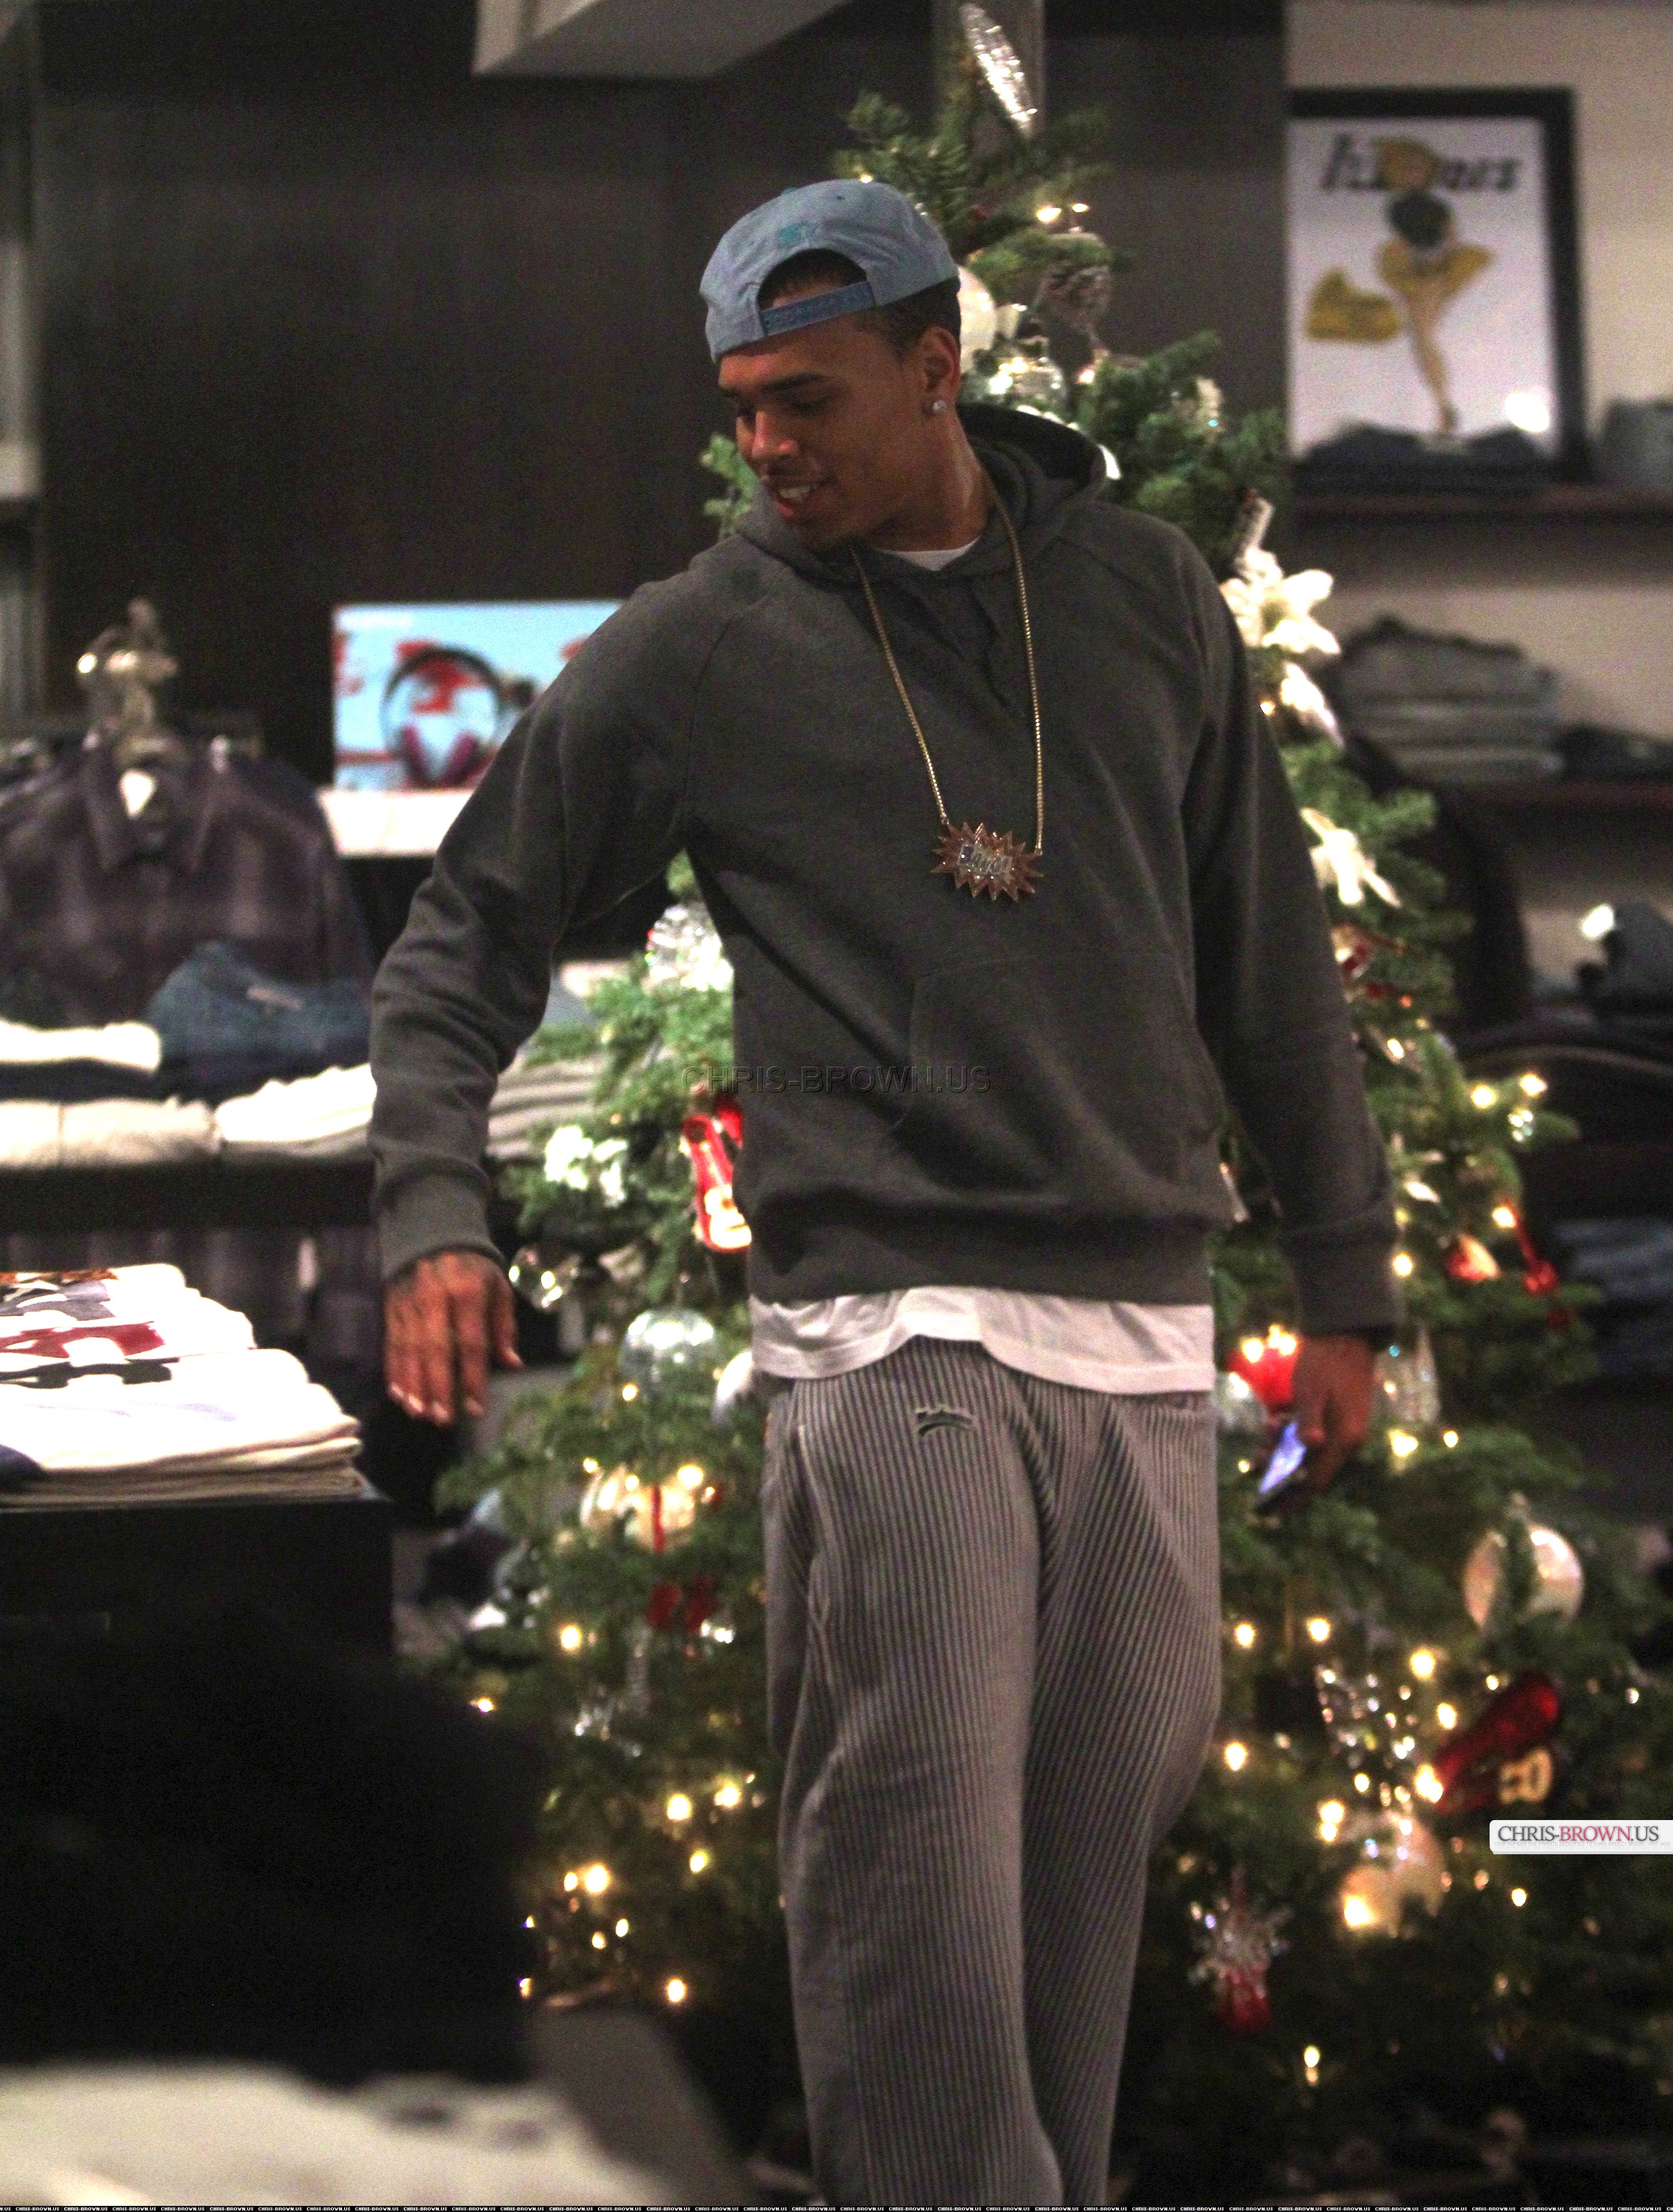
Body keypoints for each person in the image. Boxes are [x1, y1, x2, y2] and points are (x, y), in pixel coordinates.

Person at [371, 179, 1395, 2208]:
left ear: (938, 365)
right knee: (911, 1874)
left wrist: (1346, 1279)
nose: (767, 443)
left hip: (1136, 1318)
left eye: (809, 399)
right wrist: (433, 1212)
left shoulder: (1140, 594)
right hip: (887, 1320)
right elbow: (457, 939)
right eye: (741, 405)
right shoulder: (700, 644)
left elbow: (1265, 954)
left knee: (1086, 1871)